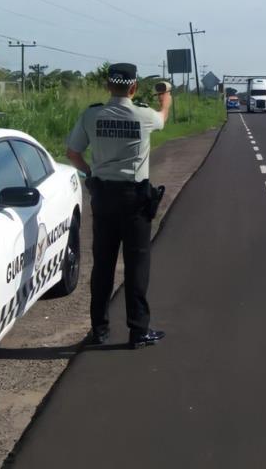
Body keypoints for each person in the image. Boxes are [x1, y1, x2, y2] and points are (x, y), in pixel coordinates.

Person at [66, 63, 172, 349]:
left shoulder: (92, 115)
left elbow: (72, 153)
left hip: (103, 197)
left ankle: (99, 330)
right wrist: (166, 96)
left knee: (103, 266)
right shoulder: (143, 115)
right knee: (137, 264)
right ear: (134, 87)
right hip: (134, 200)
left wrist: (91, 173)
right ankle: (138, 330)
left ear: (107, 86)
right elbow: (163, 117)